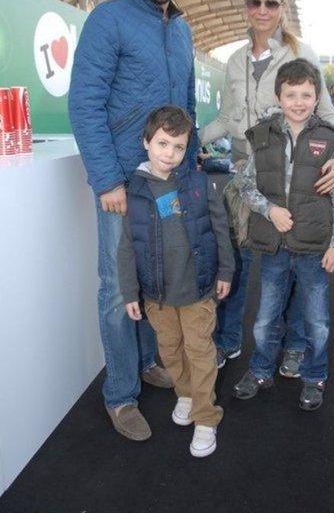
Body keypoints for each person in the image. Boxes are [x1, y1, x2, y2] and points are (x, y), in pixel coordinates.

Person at [68, 0, 197, 441]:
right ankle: (120, 395)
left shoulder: (182, 31)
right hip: (122, 182)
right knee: (118, 287)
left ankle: (146, 363)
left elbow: (185, 111)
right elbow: (85, 103)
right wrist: (107, 180)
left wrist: (187, 173)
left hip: (166, 183)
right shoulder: (109, 19)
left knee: (153, 279)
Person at [199, 0, 334, 370]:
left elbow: (327, 115)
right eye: (255, 1)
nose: (263, 10)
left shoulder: (302, 55)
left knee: (296, 267)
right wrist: (188, 142)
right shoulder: (235, 61)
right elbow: (227, 119)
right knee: (236, 264)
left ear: (283, 7)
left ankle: (295, 345)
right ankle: (229, 341)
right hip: (245, 179)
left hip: (291, 183)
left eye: (271, 2)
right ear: (246, 6)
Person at [231, 58, 334, 410]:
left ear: (317, 97)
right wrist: (269, 210)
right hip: (274, 246)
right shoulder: (262, 135)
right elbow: (245, 184)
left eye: (306, 95)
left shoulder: (330, 140)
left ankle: (314, 376)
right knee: (265, 318)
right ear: (278, 96)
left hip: (314, 247)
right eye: (291, 94)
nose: (299, 102)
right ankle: (260, 370)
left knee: (317, 320)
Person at [117, 106, 235, 457]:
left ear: (187, 148)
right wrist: (129, 291)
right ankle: (186, 393)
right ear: (146, 142)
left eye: (178, 146)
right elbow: (127, 246)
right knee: (169, 349)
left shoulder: (199, 183)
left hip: (198, 290)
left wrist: (226, 271)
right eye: (162, 143)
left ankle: (206, 416)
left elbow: (220, 230)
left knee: (200, 351)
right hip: (157, 296)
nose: (169, 153)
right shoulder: (134, 190)